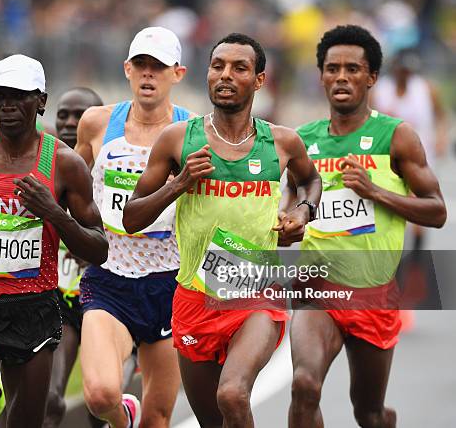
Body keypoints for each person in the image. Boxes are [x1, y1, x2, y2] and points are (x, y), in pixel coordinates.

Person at [123, 33, 321, 427]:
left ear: (259, 80)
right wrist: (177, 185)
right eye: (218, 66)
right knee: (215, 418)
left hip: (257, 294)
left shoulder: (282, 142)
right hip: (195, 299)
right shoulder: (179, 139)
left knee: (232, 393)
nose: (225, 75)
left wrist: (301, 212)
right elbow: (132, 218)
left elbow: (310, 181)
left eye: (239, 68)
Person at [0, 54, 108, 428]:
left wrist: (55, 214)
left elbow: (99, 247)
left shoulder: (64, 163)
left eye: (18, 95)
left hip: (34, 311)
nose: (6, 104)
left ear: (41, 100)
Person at [287, 25, 446, 428]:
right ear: (321, 75)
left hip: (373, 295)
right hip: (318, 286)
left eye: (353, 69)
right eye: (332, 68)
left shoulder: (397, 137)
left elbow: (437, 211)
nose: (342, 77)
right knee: (305, 385)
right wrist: (293, 219)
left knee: (369, 412)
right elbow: (293, 199)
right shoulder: (301, 142)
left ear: (371, 77)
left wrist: (376, 193)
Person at [75, 26, 192, 428]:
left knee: (158, 417)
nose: (148, 74)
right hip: (110, 277)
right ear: (127, 69)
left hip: (172, 285)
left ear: (177, 73)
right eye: (140, 65)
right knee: (100, 394)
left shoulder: (194, 133)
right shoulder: (96, 123)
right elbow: (70, 185)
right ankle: (122, 416)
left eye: (158, 67)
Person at [44, 87, 138, 428]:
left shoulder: (120, 166)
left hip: (116, 299)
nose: (72, 123)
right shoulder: (43, 167)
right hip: (67, 301)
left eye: (80, 115)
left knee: (100, 405)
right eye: (64, 115)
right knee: (51, 399)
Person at [372, 48, 449, 251]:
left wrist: (441, 138)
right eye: (402, 70)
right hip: (387, 156)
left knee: (420, 199)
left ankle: (417, 251)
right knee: (387, 202)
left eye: (409, 71)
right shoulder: (380, 91)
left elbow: (442, 116)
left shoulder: (427, 89)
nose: (405, 75)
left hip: (420, 155)